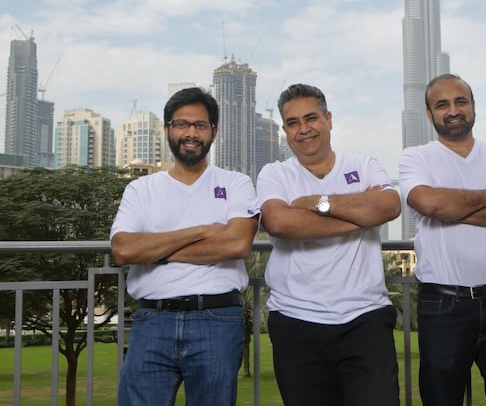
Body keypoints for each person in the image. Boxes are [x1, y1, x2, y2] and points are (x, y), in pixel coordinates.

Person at [110, 87, 259, 406]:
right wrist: (202, 230)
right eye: (181, 124)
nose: (190, 133)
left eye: (200, 125)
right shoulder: (140, 189)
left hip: (217, 320)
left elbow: (238, 243)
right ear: (167, 130)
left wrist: (155, 251)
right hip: (153, 320)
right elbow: (123, 250)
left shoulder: (236, 183)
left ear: (213, 133)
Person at [399, 73, 486, 406]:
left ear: (473, 106)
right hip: (444, 305)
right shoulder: (417, 157)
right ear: (429, 113)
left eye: (460, 101)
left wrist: (453, 209)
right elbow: (428, 203)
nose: (453, 110)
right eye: (442, 104)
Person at [256, 83, 401, 406]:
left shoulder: (363, 164)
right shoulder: (275, 173)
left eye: (311, 118)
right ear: (285, 130)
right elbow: (279, 223)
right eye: (293, 123)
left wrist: (318, 203)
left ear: (329, 119)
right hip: (296, 320)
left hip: (365, 318)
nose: (303, 129)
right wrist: (360, 215)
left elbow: (389, 206)